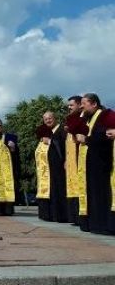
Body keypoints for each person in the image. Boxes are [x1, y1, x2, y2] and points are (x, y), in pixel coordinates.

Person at [76, 93, 115, 235]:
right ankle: (95, 224)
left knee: (102, 196)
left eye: (84, 104)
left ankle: (103, 226)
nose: (81, 106)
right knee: (93, 195)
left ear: (94, 104)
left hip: (101, 164)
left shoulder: (105, 116)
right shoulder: (90, 118)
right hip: (92, 164)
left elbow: (104, 137)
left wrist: (86, 139)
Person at [38, 111, 69, 223]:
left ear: (55, 118)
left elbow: (64, 145)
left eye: (50, 118)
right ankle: (53, 215)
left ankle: (62, 216)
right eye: (45, 119)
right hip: (49, 169)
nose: (48, 121)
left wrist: (50, 141)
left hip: (60, 167)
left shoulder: (61, 129)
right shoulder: (48, 132)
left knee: (60, 191)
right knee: (53, 192)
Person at [65, 96, 85, 225]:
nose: (69, 107)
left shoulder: (82, 119)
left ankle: (81, 219)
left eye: (71, 105)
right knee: (72, 188)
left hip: (80, 160)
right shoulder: (70, 120)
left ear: (79, 105)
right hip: (71, 162)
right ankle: (74, 218)